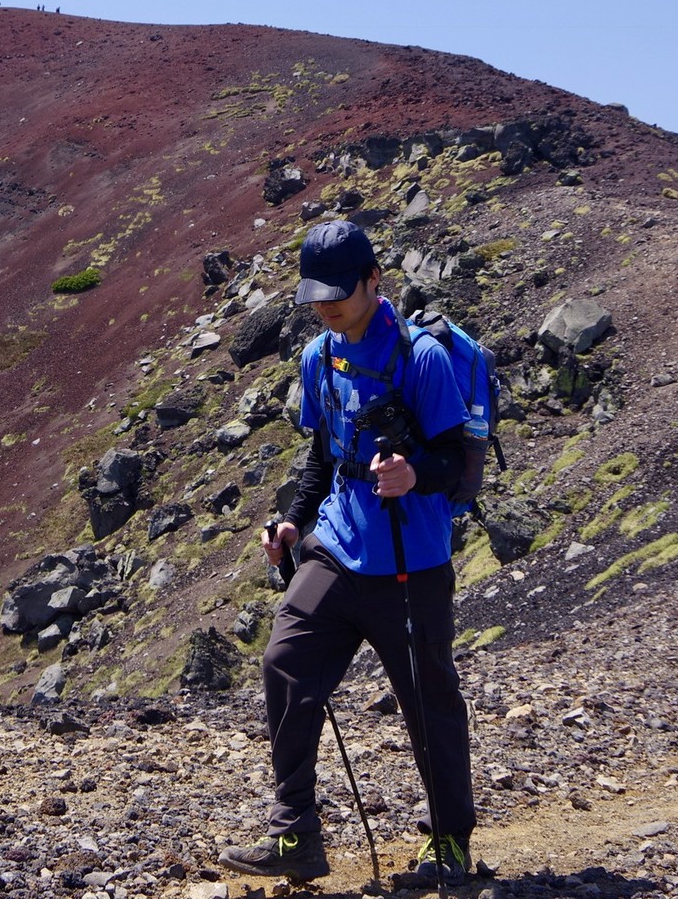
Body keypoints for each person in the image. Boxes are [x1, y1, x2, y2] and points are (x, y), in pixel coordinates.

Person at [219, 219, 484, 884]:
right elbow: (321, 457)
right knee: (284, 661)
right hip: (337, 545)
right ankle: (295, 836)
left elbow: (453, 458)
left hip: (410, 561)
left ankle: (450, 840)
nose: (327, 304)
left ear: (374, 280)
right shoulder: (321, 357)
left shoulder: (420, 359)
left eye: (340, 290)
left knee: (428, 700)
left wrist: (414, 473)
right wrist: (289, 523)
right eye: (317, 292)